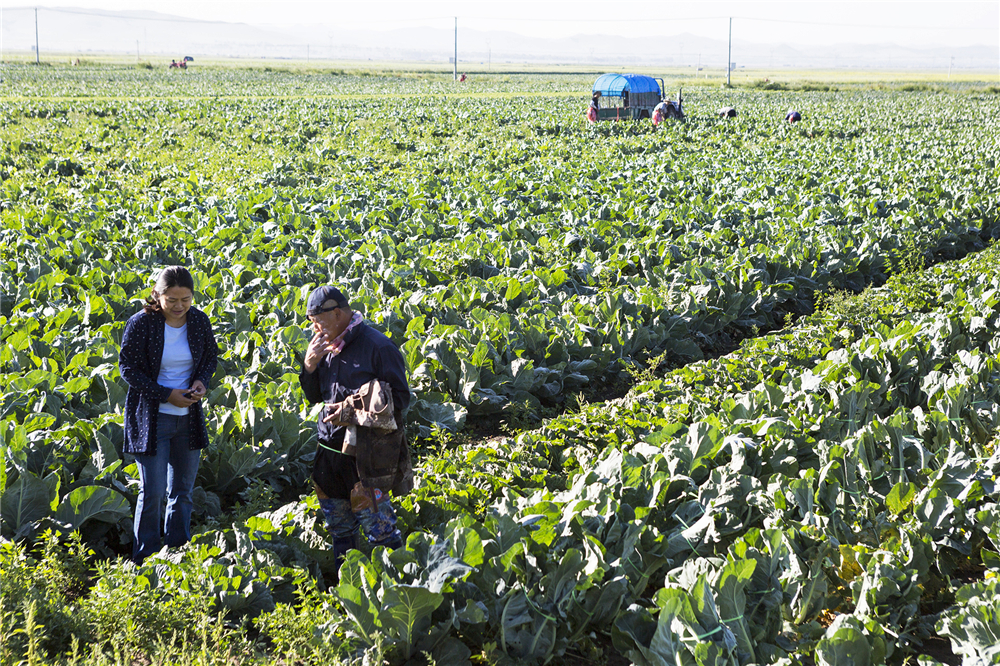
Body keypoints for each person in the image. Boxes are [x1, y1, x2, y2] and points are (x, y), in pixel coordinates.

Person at [299, 285, 412, 570]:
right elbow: (314, 397)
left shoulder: (378, 347)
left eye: (317, 319)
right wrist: (309, 366)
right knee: (339, 527)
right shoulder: (324, 346)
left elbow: (399, 398)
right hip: (329, 450)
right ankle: (346, 592)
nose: (314, 327)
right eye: (311, 320)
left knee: (380, 528)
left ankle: (400, 588)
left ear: (337, 313)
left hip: (366, 455)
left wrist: (351, 410)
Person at [119, 266, 218, 564]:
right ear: (157, 295)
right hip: (152, 419)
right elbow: (128, 369)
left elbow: (210, 357)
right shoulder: (141, 324)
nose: (178, 306)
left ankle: (177, 555)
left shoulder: (199, 321)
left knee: (183, 491)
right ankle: (145, 560)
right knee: (153, 492)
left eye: (185, 299)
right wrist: (166, 394)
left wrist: (201, 381)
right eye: (171, 299)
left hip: (188, 418)